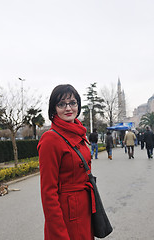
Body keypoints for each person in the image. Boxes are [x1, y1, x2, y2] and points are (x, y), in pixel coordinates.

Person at [37, 84, 94, 240]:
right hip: (67, 215)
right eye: (62, 104)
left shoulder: (79, 132)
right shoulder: (50, 139)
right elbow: (48, 192)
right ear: (54, 109)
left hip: (85, 210)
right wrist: (59, 233)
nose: (68, 108)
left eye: (73, 103)